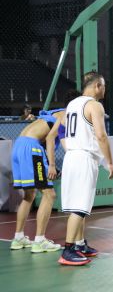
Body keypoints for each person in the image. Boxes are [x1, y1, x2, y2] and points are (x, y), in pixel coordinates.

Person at [58, 71, 113, 266]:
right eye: (104, 86)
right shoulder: (94, 105)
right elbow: (101, 136)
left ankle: (79, 244)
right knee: (80, 207)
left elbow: (62, 130)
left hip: (71, 156)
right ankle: (67, 250)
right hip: (84, 157)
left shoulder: (72, 104)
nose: (105, 89)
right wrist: (110, 162)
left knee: (79, 205)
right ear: (97, 86)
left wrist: (70, 148)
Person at [8, 96, 76, 252]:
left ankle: (18, 238)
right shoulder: (67, 114)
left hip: (19, 145)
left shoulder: (55, 112)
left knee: (29, 195)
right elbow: (51, 139)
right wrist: (52, 165)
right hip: (31, 147)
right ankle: (39, 241)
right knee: (49, 195)